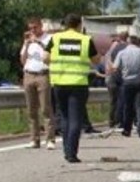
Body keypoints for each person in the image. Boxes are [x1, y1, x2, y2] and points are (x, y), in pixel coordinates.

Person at [44, 13, 99, 163]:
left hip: (59, 83)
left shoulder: (55, 38)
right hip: (78, 84)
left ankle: (66, 150)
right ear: (79, 25)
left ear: (65, 25)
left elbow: (45, 58)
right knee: (76, 119)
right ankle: (71, 153)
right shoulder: (85, 39)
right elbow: (96, 60)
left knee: (64, 117)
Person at [112, 29, 140, 137]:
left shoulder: (122, 53)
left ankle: (127, 129)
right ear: (137, 42)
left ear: (128, 42)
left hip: (127, 82)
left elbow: (115, 67)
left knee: (128, 106)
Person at [20, 17, 54, 149]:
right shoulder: (28, 41)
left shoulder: (48, 39)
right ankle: (34, 139)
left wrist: (38, 42)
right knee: (31, 110)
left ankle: (50, 139)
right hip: (28, 74)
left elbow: (50, 56)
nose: (33, 30)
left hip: (43, 74)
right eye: (30, 28)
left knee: (46, 108)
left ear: (41, 26)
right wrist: (27, 43)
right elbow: (23, 60)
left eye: (35, 27)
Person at [104, 31, 128, 128]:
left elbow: (108, 60)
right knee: (121, 100)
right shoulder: (123, 47)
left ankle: (112, 121)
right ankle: (119, 121)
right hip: (118, 76)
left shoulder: (111, 49)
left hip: (110, 77)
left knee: (113, 101)